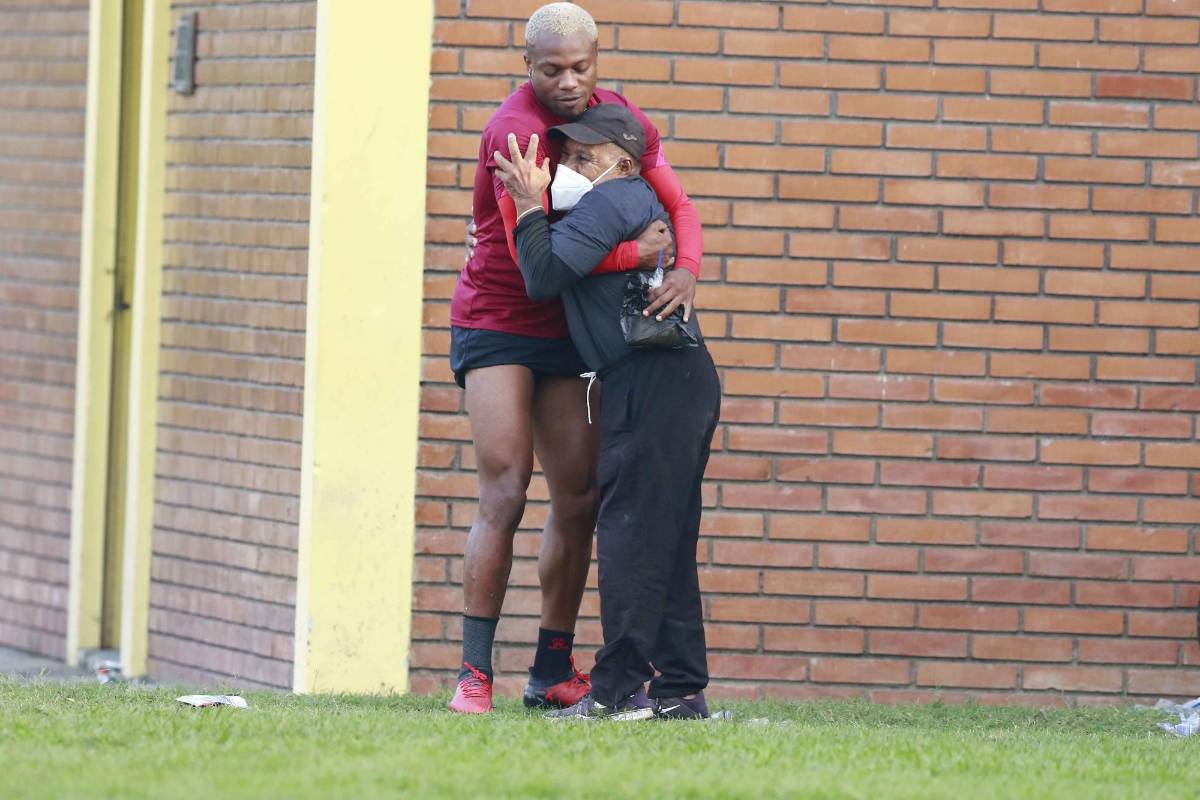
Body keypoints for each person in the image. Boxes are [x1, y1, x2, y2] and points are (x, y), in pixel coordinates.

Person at [447, 2, 704, 715]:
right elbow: (543, 268)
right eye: (552, 68)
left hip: (568, 330)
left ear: (598, 61)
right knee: (506, 487)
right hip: (501, 316)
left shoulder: (617, 116)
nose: (568, 81)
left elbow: (674, 198)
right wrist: (636, 253)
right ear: (526, 67)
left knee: (581, 494)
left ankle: (550, 669)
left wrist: (684, 265)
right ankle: (474, 675)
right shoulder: (514, 133)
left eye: (581, 67)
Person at [493, 103, 720, 720]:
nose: (567, 164)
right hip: (672, 382)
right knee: (665, 541)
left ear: (621, 162)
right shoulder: (618, 201)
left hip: (653, 383)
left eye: (582, 156)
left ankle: (616, 691)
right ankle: (681, 693)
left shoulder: (610, 200)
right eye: (565, 155)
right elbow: (550, 263)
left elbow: (541, 276)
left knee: (630, 537)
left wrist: (529, 205)